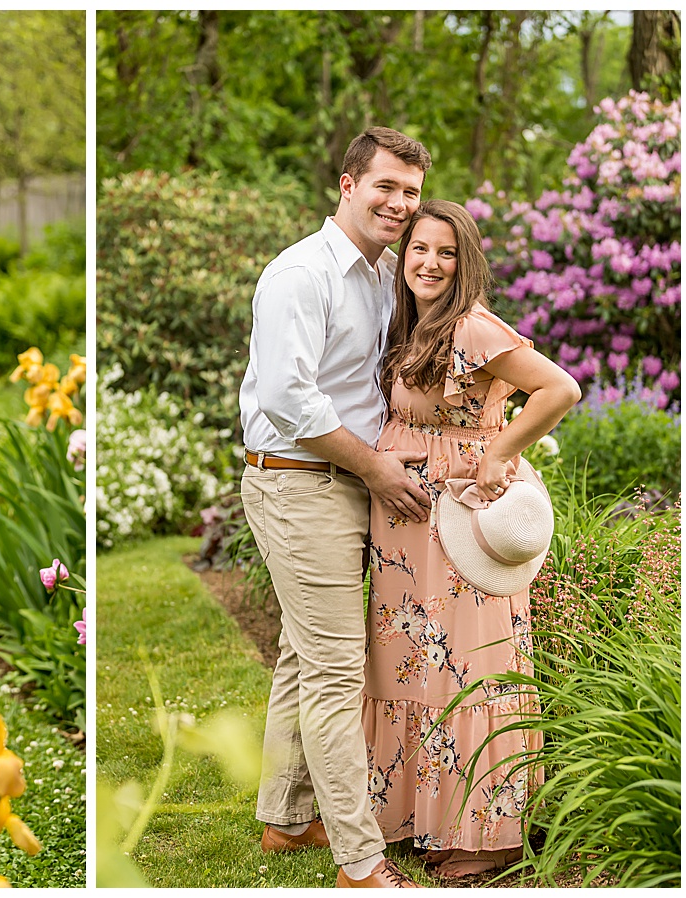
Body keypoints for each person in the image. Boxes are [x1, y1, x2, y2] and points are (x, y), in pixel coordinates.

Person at [361, 199, 581, 879]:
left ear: (466, 263)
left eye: (447, 252)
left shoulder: (472, 327)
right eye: (420, 249)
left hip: (456, 524)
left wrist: (498, 451)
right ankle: (409, 817)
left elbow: (558, 388)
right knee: (408, 665)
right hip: (406, 528)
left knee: (464, 666)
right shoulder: (417, 325)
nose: (430, 263)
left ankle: (477, 835)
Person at [238, 127, 433, 889]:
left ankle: (287, 822)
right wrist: (380, 469)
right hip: (299, 482)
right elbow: (290, 400)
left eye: (411, 192)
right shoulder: (300, 274)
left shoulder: (383, 274)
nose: (400, 203)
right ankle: (360, 859)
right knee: (335, 670)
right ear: (347, 184)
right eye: (386, 185)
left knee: (303, 651)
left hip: (345, 479)